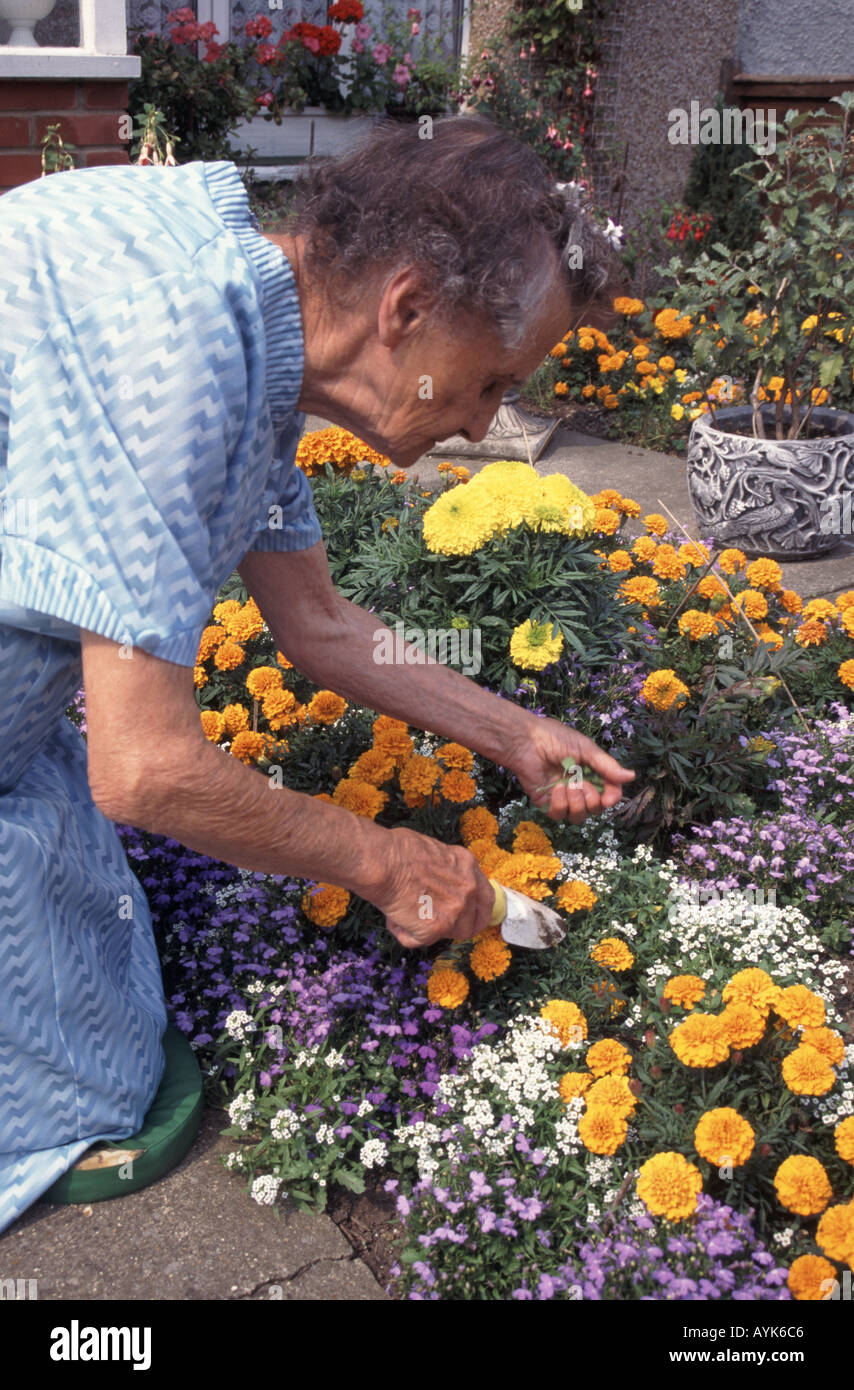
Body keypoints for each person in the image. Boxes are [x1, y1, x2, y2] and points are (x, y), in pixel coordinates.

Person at [0, 113, 633, 1232]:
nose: (486, 424)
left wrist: (509, 731)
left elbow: (317, 623)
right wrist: (390, 863)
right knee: (74, 1100)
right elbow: (143, 770)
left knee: (111, 1050)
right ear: (405, 307)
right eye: (490, 382)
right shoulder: (186, 343)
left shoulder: (259, 318)